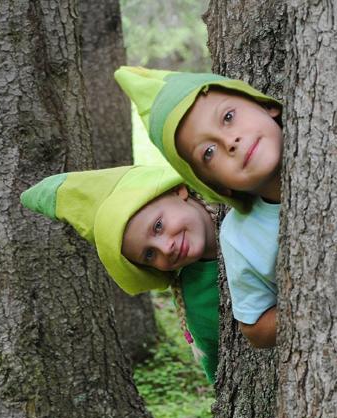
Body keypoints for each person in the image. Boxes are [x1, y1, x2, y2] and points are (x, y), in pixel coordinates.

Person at [116, 66, 282, 349]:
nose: (230, 142)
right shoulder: (239, 237)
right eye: (208, 152)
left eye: (228, 117)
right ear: (215, 185)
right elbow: (253, 327)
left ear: (266, 105)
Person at [21, 165, 221, 381]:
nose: (165, 248)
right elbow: (220, 374)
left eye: (158, 226)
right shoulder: (196, 301)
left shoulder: (244, 199)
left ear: (177, 190)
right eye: (149, 255)